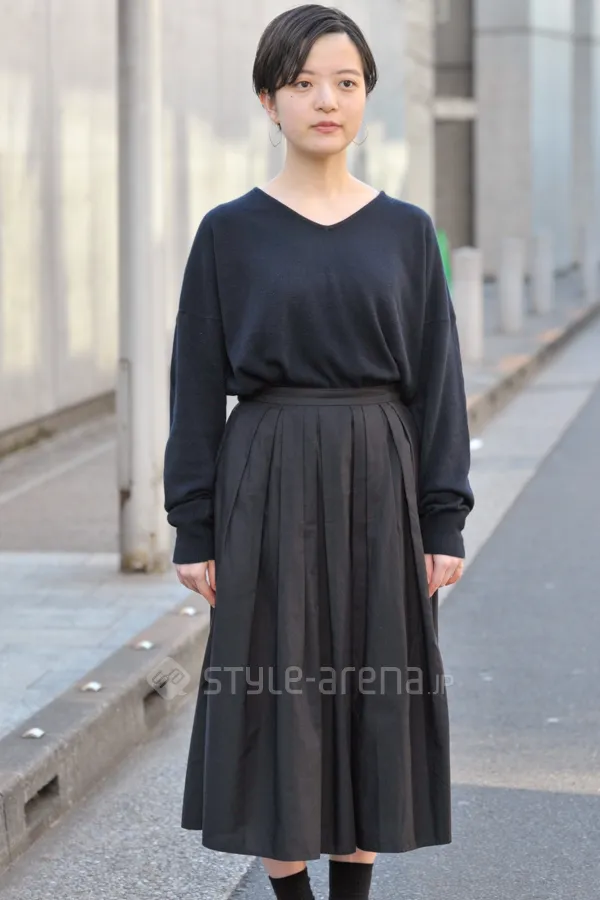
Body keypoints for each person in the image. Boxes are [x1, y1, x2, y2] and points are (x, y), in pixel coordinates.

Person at [163, 5, 474, 900]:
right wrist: (194, 524)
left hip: (382, 474)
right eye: (303, 83)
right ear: (270, 101)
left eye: (345, 82)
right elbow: (195, 381)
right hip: (266, 476)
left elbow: (438, 380)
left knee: (375, 696)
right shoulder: (229, 232)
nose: (326, 101)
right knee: (277, 694)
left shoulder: (406, 230)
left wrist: (443, 517)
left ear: (367, 96)